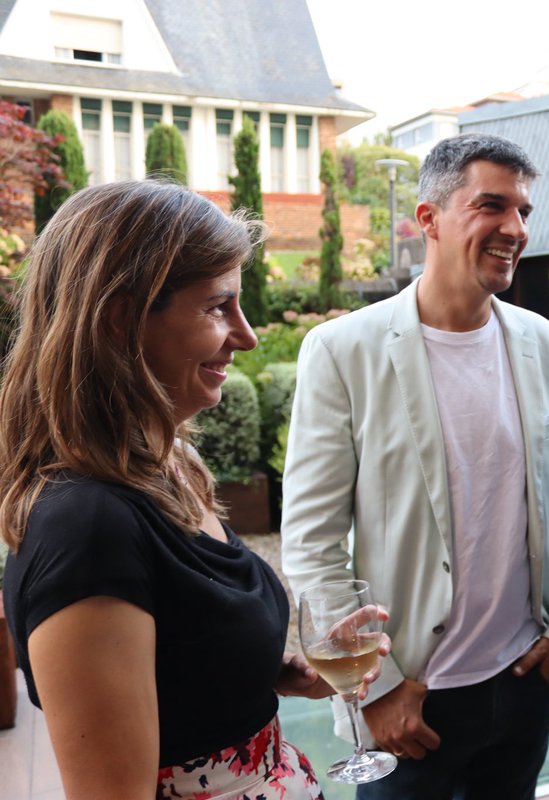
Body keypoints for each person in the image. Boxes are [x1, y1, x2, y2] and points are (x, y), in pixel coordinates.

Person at [0, 180, 370, 800]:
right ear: (120, 319)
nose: (247, 336)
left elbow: (176, 655)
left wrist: (266, 671)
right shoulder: (87, 528)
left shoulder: (172, 463)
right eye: (218, 307)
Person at [281, 133, 549, 800]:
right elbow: (310, 543)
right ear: (429, 218)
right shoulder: (341, 350)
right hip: (410, 700)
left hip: (525, 681)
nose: (515, 229)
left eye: (524, 211)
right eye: (491, 206)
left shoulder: (548, 345)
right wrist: (375, 690)